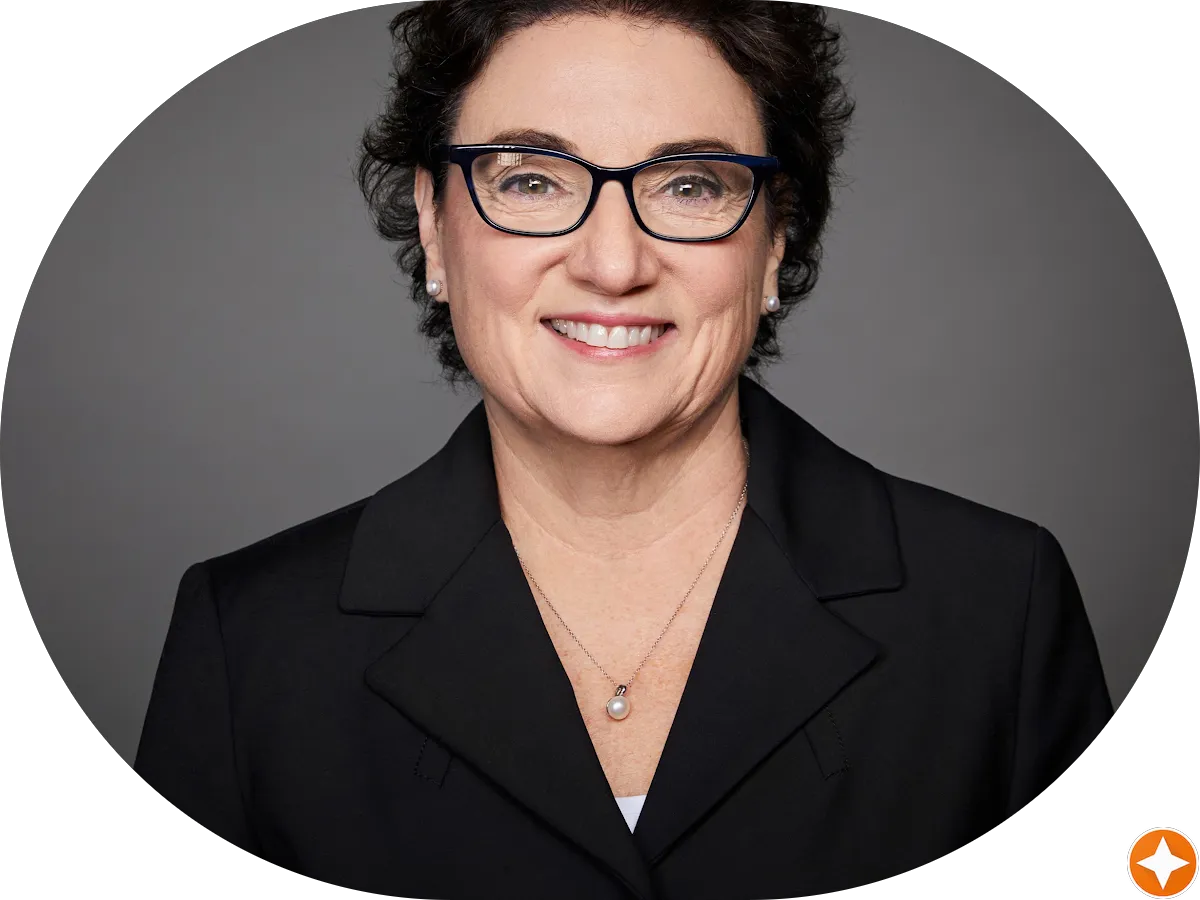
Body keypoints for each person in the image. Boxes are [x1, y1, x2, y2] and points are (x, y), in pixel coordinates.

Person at [134, 2, 1113, 898]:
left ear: (774, 241)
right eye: (530, 179)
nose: (613, 264)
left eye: (690, 185)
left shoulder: (998, 610)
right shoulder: (249, 644)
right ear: (435, 226)